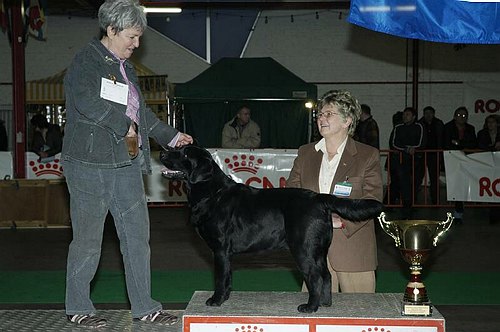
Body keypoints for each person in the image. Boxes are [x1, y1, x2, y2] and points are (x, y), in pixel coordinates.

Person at [62, 0, 193, 328]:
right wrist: (123, 125)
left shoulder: (125, 68)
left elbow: (141, 114)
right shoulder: (86, 61)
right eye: (132, 37)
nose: (137, 44)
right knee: (88, 240)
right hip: (89, 163)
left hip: (125, 163)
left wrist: (170, 135)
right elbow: (85, 101)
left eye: (139, 38)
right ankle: (79, 307)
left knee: (137, 237)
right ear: (111, 30)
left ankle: (145, 307)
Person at [286, 90, 383, 294]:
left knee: (359, 317)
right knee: (315, 319)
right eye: (320, 114)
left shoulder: (367, 155)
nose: (322, 118)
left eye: (329, 114)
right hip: (313, 251)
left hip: (353, 251)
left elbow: (372, 201)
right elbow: (292, 196)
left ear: (347, 120)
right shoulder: (305, 153)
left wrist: (341, 222)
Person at [443, 106, 477, 223]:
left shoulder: (471, 128)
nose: (461, 118)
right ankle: (458, 212)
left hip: (466, 160)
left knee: (462, 185)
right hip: (451, 160)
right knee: (456, 185)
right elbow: (446, 142)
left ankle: (458, 212)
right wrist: (460, 145)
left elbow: (472, 143)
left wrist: (458, 143)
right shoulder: (447, 127)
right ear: (454, 116)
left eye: (464, 116)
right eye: (459, 115)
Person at [391, 107, 425, 219]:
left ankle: (411, 205)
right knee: (404, 184)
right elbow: (394, 143)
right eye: (404, 114)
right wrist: (406, 149)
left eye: (408, 114)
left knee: (415, 183)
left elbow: (422, 142)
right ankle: (406, 208)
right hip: (402, 161)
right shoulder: (398, 127)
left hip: (416, 161)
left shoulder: (419, 126)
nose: (405, 116)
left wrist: (413, 148)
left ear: (414, 116)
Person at [417, 106, 445, 204]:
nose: (428, 115)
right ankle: (414, 199)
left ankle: (435, 199)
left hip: (434, 154)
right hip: (421, 154)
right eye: (426, 113)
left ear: (433, 114)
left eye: (430, 113)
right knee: (418, 177)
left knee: (434, 178)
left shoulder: (438, 124)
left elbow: (442, 138)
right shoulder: (419, 124)